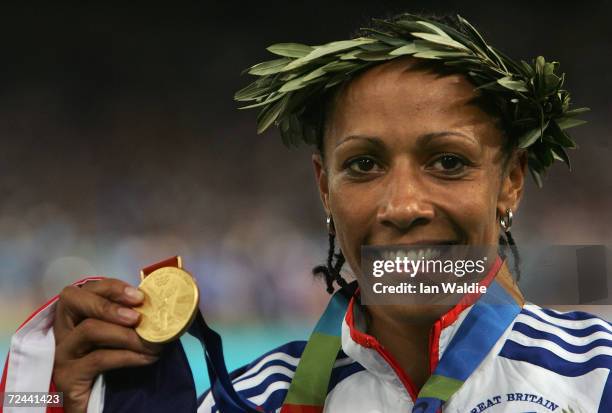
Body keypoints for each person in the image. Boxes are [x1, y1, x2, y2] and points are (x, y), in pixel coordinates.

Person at [1, 12, 608, 413]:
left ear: (512, 182)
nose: (401, 206)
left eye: (448, 162)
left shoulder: (598, 379)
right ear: (324, 186)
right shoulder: (249, 401)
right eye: (364, 165)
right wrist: (53, 404)